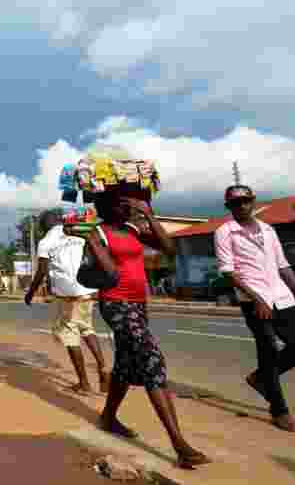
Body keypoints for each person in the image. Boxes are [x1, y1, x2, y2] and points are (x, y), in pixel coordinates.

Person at [86, 189, 210, 469]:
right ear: (105, 207)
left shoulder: (133, 230)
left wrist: (149, 215)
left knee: (126, 364)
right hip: (116, 304)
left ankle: (108, 417)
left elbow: (169, 249)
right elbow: (110, 273)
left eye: (127, 203)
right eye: (120, 203)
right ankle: (179, 444)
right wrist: (93, 244)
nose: (126, 207)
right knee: (152, 361)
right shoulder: (97, 234)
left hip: (139, 303)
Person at [214, 185, 295, 433]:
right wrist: (256, 298)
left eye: (245, 201)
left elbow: (283, 266)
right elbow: (228, 272)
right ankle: (279, 410)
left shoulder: (268, 229)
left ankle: (261, 378)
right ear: (229, 207)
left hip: (282, 298)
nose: (241, 206)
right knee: (268, 350)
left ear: (253, 202)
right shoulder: (225, 232)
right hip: (254, 301)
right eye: (235, 203)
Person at [26, 209, 109, 395]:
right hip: (87, 290)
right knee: (87, 329)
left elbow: (41, 271)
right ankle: (103, 368)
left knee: (70, 336)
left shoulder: (46, 242)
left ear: (44, 226)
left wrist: (30, 293)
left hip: (67, 295)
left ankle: (84, 384)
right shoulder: (78, 231)